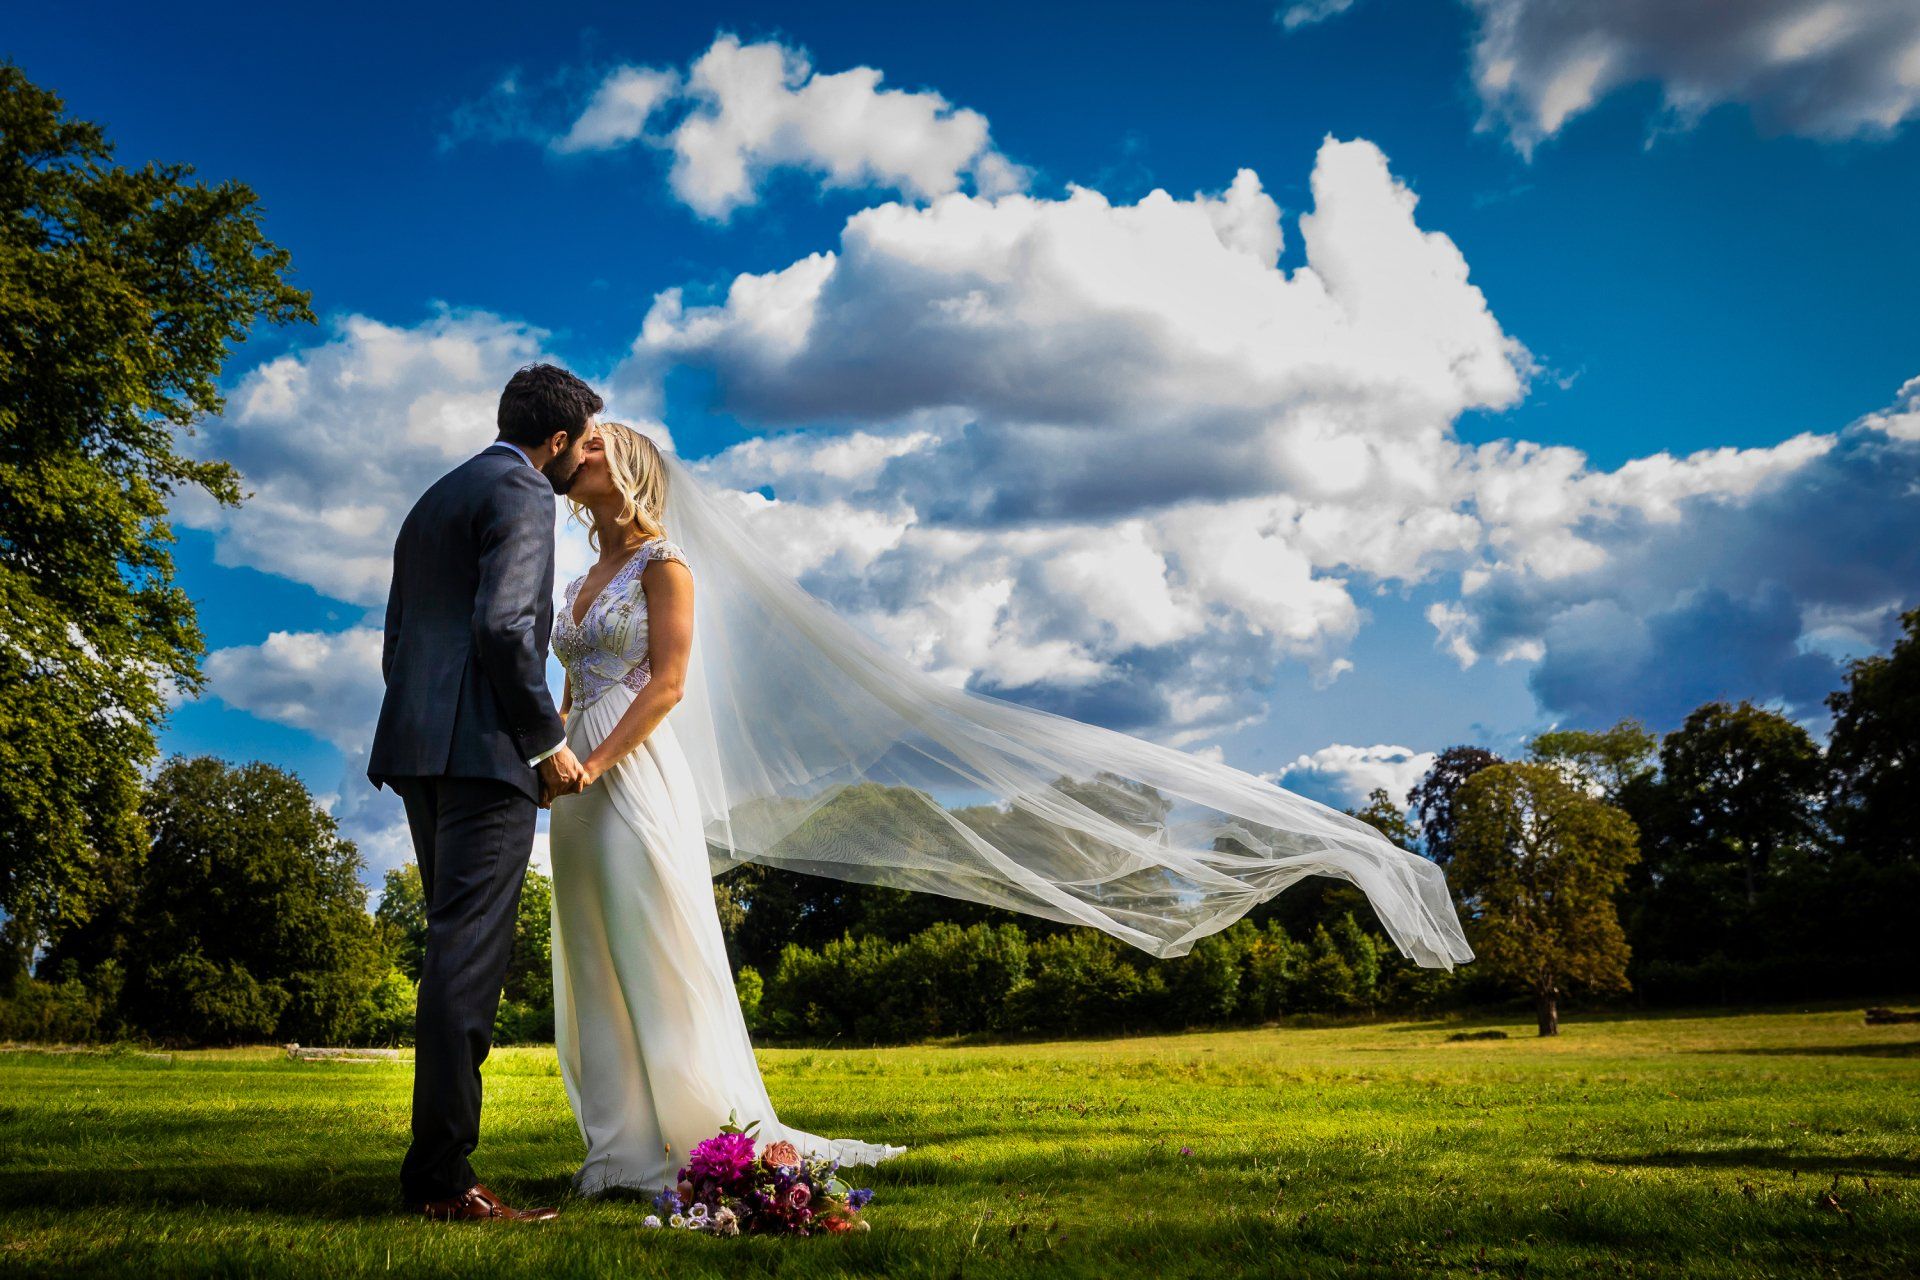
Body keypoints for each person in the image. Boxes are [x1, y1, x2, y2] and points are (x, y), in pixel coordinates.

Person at [542, 418, 1473, 1198]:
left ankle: (699, 1134)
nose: (567, 463)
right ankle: (619, 1147)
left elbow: (666, 685)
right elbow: (572, 675)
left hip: (632, 764)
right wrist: (550, 752)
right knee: (590, 949)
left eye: (583, 451)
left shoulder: (667, 566)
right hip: (575, 772)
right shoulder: (580, 575)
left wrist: (595, 759)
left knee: (655, 940)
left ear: (623, 467)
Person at [368, 363, 599, 1222]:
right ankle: (441, 1182)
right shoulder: (524, 490)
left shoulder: (437, 495)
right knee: (468, 964)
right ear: (559, 440)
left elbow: (397, 638)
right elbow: (506, 627)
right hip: (486, 754)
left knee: (448, 955)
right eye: (584, 444)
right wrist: (546, 743)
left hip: (418, 747)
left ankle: (433, 1167)